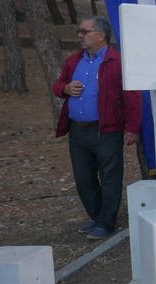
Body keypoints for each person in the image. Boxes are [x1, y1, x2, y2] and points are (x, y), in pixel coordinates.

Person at [52, 16, 141, 240]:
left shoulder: (118, 62)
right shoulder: (73, 61)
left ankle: (106, 222)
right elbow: (57, 85)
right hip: (78, 131)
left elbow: (132, 97)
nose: (80, 35)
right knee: (83, 178)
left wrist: (132, 128)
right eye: (78, 31)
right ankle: (96, 216)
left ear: (101, 36)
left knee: (110, 177)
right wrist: (65, 88)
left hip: (107, 131)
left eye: (85, 31)